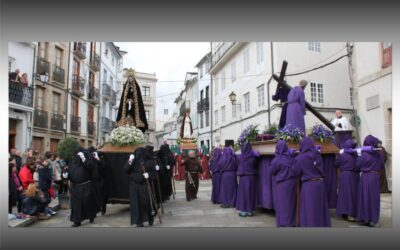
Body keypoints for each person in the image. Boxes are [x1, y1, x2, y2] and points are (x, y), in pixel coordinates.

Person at [293, 137, 331, 227]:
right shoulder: (317, 155)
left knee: (310, 210)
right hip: (320, 184)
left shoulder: (300, 158)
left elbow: (296, 172)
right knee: (320, 209)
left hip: (309, 186)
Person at [356, 135, 385, 227]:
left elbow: (358, 165)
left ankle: (365, 218)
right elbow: (381, 165)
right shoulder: (378, 153)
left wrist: (359, 155)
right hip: (375, 176)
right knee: (374, 198)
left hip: (365, 176)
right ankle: (374, 219)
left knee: (365, 198)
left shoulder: (364, 153)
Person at [124, 147, 156, 227]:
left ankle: (149, 217)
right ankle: (139, 221)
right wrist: (130, 161)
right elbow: (126, 169)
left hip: (144, 185)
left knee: (145, 203)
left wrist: (149, 175)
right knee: (135, 204)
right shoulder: (132, 161)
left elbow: (154, 173)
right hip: (134, 185)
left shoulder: (149, 161)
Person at [67, 148, 99, 227]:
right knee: (76, 205)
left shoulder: (87, 161)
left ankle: (91, 215)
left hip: (86, 185)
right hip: (75, 186)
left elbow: (91, 167)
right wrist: (65, 175)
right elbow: (69, 173)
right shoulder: (72, 162)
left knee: (87, 203)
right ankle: (77, 221)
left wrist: (84, 159)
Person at [270, 140, 297, 226]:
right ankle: (291, 222)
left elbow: (272, 171)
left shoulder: (276, 160)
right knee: (291, 204)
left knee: (282, 205)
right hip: (292, 184)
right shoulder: (292, 157)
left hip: (282, 185)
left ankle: (283, 223)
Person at [335, 139, 359, 222]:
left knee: (345, 195)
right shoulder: (355, 154)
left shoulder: (342, 155)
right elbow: (358, 164)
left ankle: (345, 212)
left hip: (344, 175)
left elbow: (336, 163)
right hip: (353, 176)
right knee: (352, 195)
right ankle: (351, 213)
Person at [236, 143, 259, 217]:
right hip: (251, 177)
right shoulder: (253, 158)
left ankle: (243, 211)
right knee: (250, 194)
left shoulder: (239, 157)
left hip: (243, 178)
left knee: (243, 194)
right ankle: (250, 211)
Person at [88, 146, 106, 215]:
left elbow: (103, 166)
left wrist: (98, 159)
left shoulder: (99, 157)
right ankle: (94, 211)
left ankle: (102, 208)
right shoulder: (89, 159)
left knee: (101, 196)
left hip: (99, 180)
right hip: (91, 180)